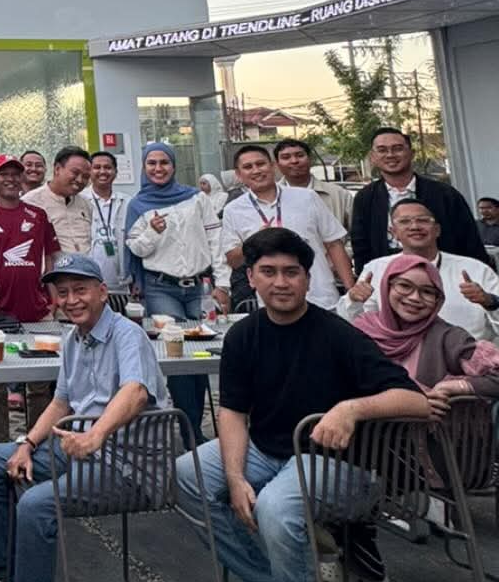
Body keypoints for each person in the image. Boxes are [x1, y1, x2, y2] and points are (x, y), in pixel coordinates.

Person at [174, 227, 425, 582]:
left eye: (292, 272)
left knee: (275, 507)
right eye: (268, 271)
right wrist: (235, 477)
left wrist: (351, 409)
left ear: (308, 278)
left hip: (339, 465)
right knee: (187, 474)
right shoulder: (242, 336)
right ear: (251, 277)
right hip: (268, 450)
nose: (281, 282)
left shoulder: (337, 334)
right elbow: (232, 412)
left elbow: (415, 401)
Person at [0, 254, 169, 582]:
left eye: (80, 290)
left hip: (128, 466)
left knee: (36, 504)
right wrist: (27, 443)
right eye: (63, 293)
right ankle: (8, 571)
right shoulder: (73, 339)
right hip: (78, 450)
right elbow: (61, 401)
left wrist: (96, 434)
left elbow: (135, 392)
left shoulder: (127, 335)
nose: (71, 300)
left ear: (102, 292)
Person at [339, 254, 499, 582]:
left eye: (428, 292)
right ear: (387, 288)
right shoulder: (361, 332)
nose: (415, 298)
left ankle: (350, 541)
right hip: (374, 453)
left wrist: (454, 387)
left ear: (439, 299)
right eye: (404, 286)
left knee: (320, 462)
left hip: (421, 460)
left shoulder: (446, 336)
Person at [124, 143, 222, 439]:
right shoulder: (138, 204)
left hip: (199, 288)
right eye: (151, 163)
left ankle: (193, 424)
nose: (158, 168)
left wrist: (222, 283)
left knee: (200, 357)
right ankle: (190, 430)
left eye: (164, 162)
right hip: (161, 288)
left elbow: (215, 240)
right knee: (177, 356)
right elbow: (136, 248)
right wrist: (152, 232)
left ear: (174, 165)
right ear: (144, 167)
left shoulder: (196, 198)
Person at [0, 155, 60, 442]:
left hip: (38, 311)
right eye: (3, 174)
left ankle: (36, 442)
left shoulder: (38, 215)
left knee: (39, 382)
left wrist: (53, 299)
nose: (10, 179)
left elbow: (49, 257)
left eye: (15, 174)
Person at [339, 197, 499, 344]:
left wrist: (489, 302)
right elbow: (356, 325)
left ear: (437, 230)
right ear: (393, 233)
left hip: (468, 359)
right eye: (404, 221)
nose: (415, 227)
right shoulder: (376, 269)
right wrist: (354, 299)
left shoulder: (476, 270)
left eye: (423, 220)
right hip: (398, 359)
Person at [219, 145, 353, 311]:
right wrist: (254, 240)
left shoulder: (307, 197)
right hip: (273, 304)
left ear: (273, 166)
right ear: (239, 175)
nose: (256, 170)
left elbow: (334, 244)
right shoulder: (233, 210)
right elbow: (233, 260)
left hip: (321, 298)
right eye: (248, 167)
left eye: (260, 164)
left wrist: (350, 290)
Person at [349, 128, 485, 270]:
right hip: (387, 273)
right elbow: (360, 245)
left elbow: (469, 240)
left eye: (397, 149)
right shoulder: (365, 198)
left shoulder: (445, 194)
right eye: (382, 150)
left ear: (411, 153)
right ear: (373, 157)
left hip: (443, 271)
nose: (390, 155)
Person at [22, 147, 93, 254]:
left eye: (86, 176)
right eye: (75, 172)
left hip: (86, 264)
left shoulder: (86, 203)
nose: (80, 180)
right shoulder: (30, 203)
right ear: (57, 169)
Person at [275, 138, 352, 228]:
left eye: (300, 155)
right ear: (277, 164)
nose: (294, 161)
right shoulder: (270, 196)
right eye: (286, 157)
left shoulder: (339, 194)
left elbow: (357, 231)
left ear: (310, 159)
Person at [84, 150, 129, 293]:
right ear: (89, 171)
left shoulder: (127, 202)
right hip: (87, 282)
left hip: (121, 284)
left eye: (108, 167)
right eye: (97, 167)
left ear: (115, 172)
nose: (102, 171)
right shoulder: (79, 200)